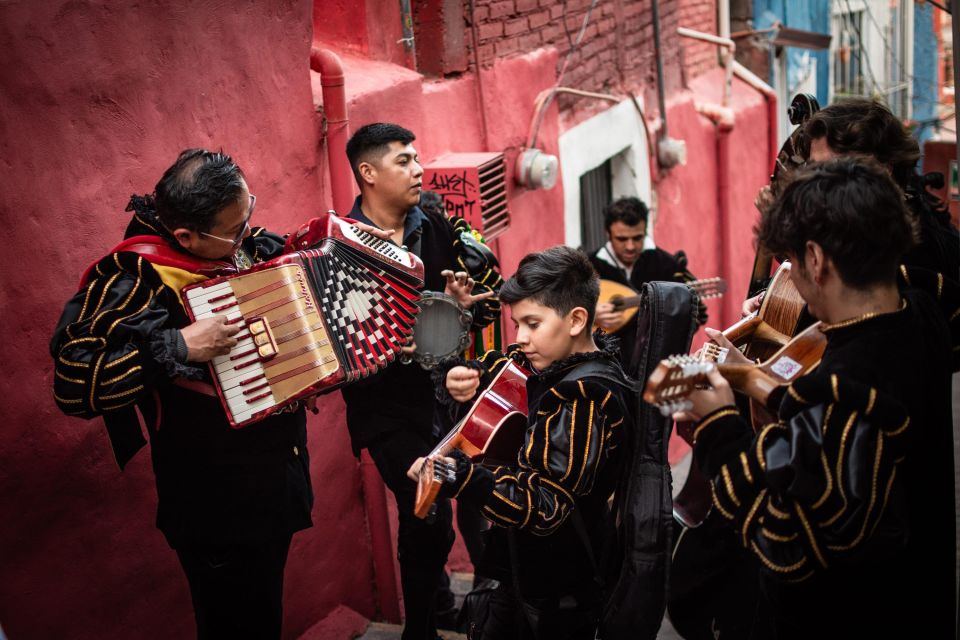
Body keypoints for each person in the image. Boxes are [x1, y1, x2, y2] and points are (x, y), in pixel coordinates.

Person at [49, 149, 328, 638]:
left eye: (249, 215)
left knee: (265, 618)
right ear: (186, 237)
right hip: (214, 503)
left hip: (276, 478)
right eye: (236, 228)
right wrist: (179, 344)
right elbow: (73, 384)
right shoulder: (130, 280)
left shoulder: (243, 246)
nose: (249, 234)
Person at [676, 158, 958, 638]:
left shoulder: (845, 387)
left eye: (788, 262)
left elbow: (785, 546)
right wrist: (752, 378)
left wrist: (719, 424)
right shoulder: (920, 312)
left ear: (815, 259)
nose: (786, 277)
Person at [340, 123, 502, 640]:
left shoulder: (436, 225)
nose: (418, 170)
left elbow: (483, 311)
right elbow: (335, 344)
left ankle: (449, 611)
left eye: (417, 159)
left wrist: (462, 310)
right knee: (426, 514)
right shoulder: (339, 249)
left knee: (460, 511)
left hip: (449, 403)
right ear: (368, 173)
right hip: (387, 413)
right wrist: (389, 348)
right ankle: (421, 630)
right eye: (404, 161)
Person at [431, 246, 636, 640]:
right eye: (517, 324)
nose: (521, 338)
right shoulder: (545, 361)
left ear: (577, 320)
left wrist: (464, 478)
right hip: (525, 574)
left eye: (532, 323)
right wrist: (463, 373)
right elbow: (500, 365)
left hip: (560, 591)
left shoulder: (583, 398)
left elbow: (545, 505)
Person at [744, 96, 959, 317]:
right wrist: (770, 302)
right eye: (814, 170)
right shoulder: (865, 226)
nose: (816, 184)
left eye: (832, 170)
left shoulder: (916, 250)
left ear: (883, 169)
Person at [588, 196, 704, 369]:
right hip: (606, 367)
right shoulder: (589, 266)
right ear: (608, 233)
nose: (630, 246)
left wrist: (663, 335)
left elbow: (697, 312)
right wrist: (591, 314)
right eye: (621, 239)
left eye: (637, 238)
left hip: (655, 366)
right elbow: (566, 311)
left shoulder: (667, 265)